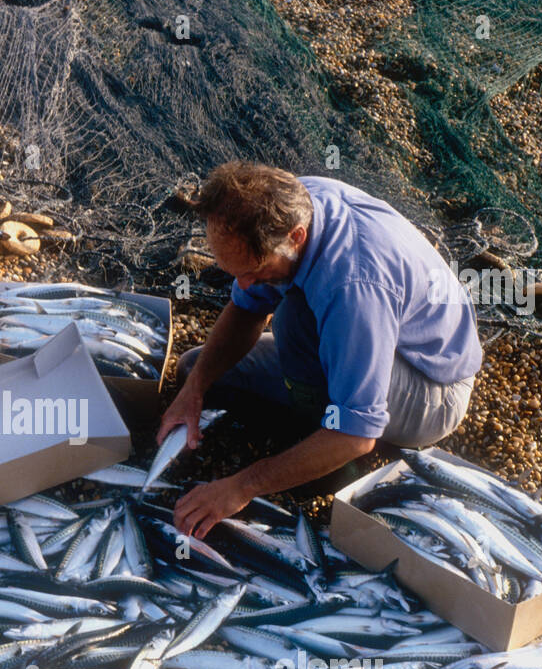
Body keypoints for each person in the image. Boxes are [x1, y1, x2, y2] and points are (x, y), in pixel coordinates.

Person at [161, 162, 482, 539]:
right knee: (196, 367)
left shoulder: (354, 286)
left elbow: (357, 435)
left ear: (296, 237)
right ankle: (315, 429)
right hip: (372, 336)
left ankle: (335, 465)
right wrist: (193, 392)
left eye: (253, 270)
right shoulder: (291, 203)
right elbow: (247, 309)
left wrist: (241, 486)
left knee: (293, 318)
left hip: (431, 385)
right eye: (235, 271)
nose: (243, 284)